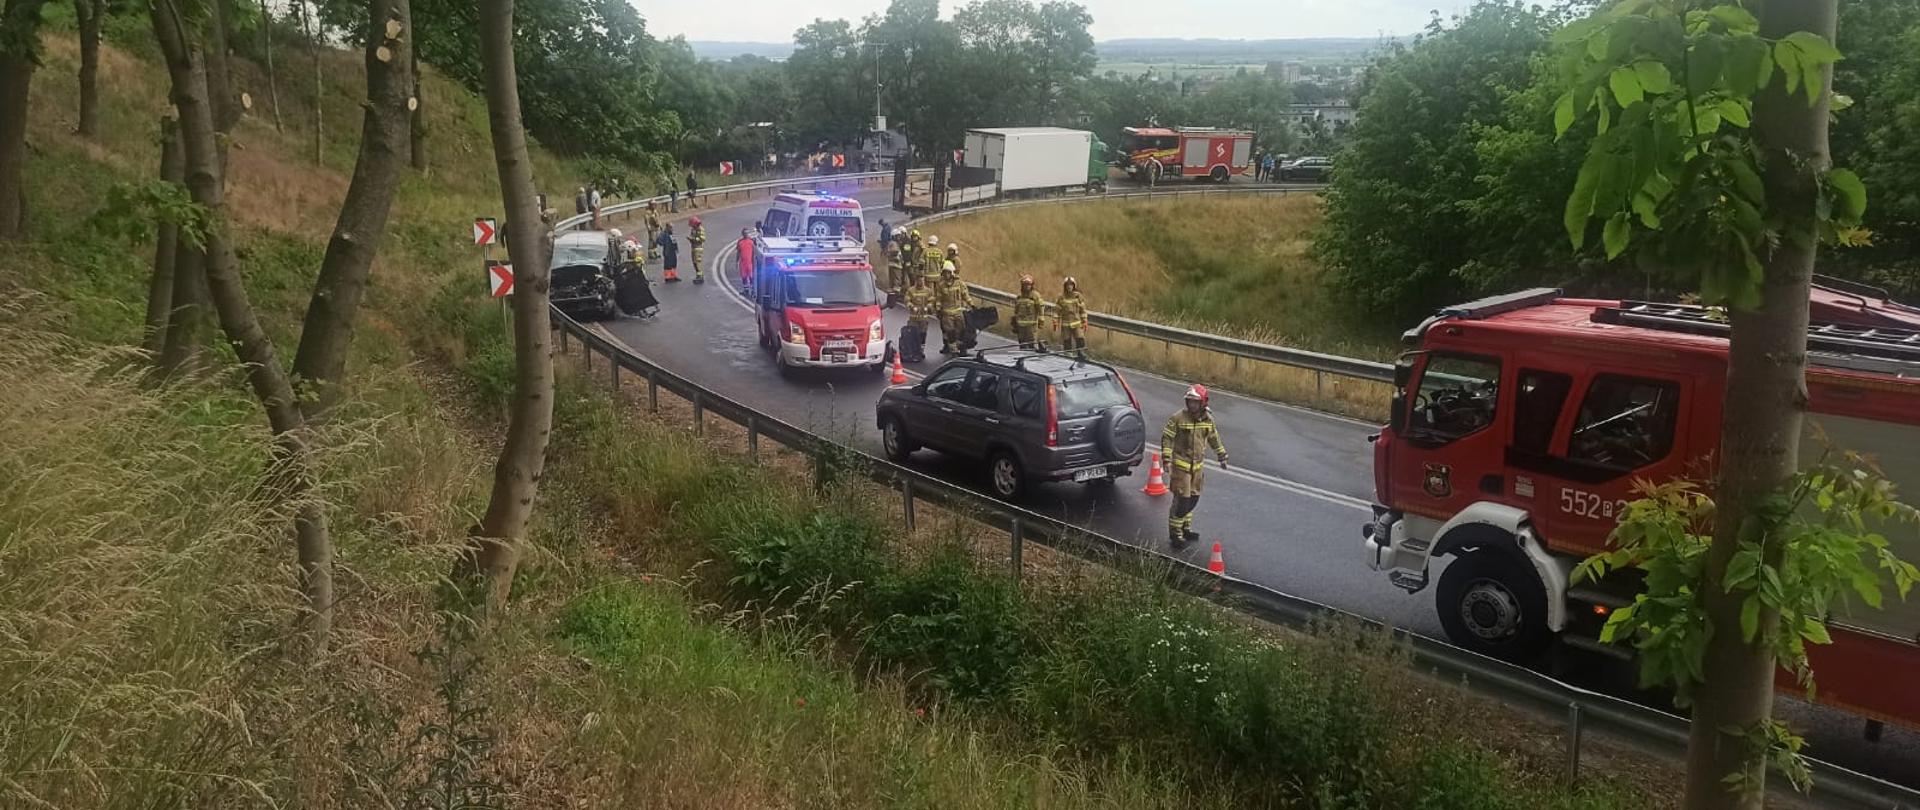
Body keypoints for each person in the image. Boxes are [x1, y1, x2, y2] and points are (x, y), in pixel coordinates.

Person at [1163, 385, 1229, 548]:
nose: (1191, 405)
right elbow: (1167, 438)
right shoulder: (1177, 418)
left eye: (1195, 402)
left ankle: (1186, 528)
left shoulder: (1208, 420)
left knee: (1193, 499)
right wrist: (1166, 459)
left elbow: (1214, 439)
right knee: (1182, 501)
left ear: (1203, 403)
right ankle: (1175, 534)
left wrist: (1222, 456)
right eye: (1190, 401)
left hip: (1197, 469)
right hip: (1181, 468)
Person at [935, 261, 973, 355]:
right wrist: (938, 309)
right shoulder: (941, 285)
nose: (946, 275)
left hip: (958, 312)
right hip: (947, 314)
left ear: (951, 273)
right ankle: (953, 351)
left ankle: (962, 348)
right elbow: (939, 298)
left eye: (948, 272)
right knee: (950, 332)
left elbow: (965, 294)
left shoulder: (959, 283)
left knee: (961, 331)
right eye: (945, 272)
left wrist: (971, 304)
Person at [902, 272, 936, 363]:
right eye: (919, 280)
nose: (920, 282)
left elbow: (932, 300)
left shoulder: (928, 291)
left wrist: (928, 306)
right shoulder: (911, 290)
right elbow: (906, 300)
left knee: (922, 335)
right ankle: (912, 351)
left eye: (922, 280)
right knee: (912, 335)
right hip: (913, 318)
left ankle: (921, 351)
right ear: (916, 281)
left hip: (923, 318)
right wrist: (912, 306)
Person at [1056, 277, 1088, 357]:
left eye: (1071, 285)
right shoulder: (1061, 297)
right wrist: (1055, 320)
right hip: (1065, 324)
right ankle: (1068, 356)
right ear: (1065, 286)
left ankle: (1081, 355)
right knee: (1067, 340)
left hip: (1076, 323)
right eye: (1067, 285)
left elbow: (1083, 310)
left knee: (1080, 339)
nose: (1069, 287)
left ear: (1074, 286)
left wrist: (1084, 321)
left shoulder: (1078, 296)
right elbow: (1057, 310)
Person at [1012, 274, 1046, 349]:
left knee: (1031, 344)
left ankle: (1030, 360)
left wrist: (1041, 320)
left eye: (1029, 285)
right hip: (1020, 325)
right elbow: (1016, 311)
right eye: (1025, 285)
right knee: (1022, 344)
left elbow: (1040, 308)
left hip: (1031, 326)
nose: (1027, 286)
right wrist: (1014, 322)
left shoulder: (1035, 296)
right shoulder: (1019, 296)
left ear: (1032, 285)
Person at [688, 216, 707, 284]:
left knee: (697, 263)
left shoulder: (700, 229)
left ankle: (700, 276)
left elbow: (702, 239)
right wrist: (690, 239)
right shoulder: (693, 229)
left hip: (698, 248)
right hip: (693, 247)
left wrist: (694, 239)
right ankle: (698, 275)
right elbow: (692, 235)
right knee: (694, 262)